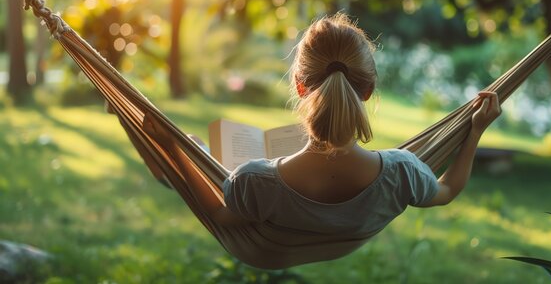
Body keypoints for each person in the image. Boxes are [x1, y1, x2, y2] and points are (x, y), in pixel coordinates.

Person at [144, 13, 502, 233]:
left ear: (300, 87)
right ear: (369, 90)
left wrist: (176, 150)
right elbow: (448, 191)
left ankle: (160, 145)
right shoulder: (401, 173)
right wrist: (474, 131)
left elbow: (221, 216)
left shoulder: (253, 181)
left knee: (192, 152)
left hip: (264, 229)